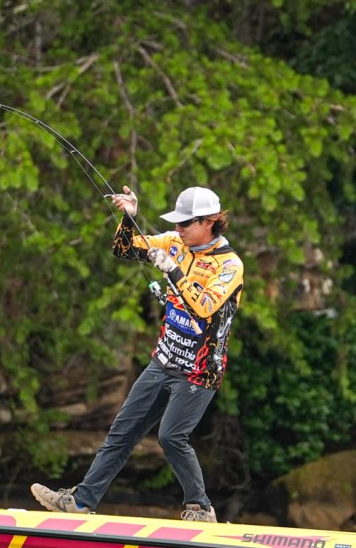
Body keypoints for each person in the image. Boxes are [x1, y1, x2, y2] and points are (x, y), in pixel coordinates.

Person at [31, 185, 244, 522]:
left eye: (185, 223)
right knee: (122, 432)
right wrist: (128, 218)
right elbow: (124, 248)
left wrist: (172, 270)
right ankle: (81, 502)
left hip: (199, 371)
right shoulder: (173, 242)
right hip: (163, 360)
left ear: (208, 222)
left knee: (171, 437)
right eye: (176, 223)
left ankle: (200, 509)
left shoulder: (229, 265)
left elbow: (205, 307)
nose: (177, 229)